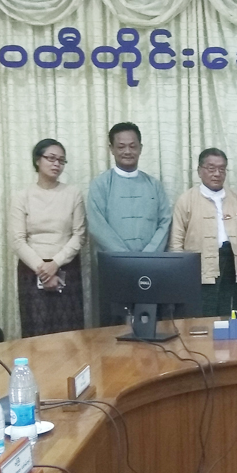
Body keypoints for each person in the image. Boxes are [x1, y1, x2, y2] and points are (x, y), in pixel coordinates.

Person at [87, 122, 172, 323]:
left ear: (140, 148)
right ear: (111, 149)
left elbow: (165, 222)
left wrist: (146, 257)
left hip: (150, 268)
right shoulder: (100, 184)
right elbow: (97, 226)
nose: (127, 151)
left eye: (133, 146)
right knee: (114, 330)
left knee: (150, 326)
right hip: (114, 269)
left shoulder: (154, 185)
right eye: (121, 146)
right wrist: (125, 259)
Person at [8, 139, 86, 336]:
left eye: (61, 160)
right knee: (37, 332)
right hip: (32, 270)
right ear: (37, 160)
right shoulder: (22, 196)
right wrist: (43, 270)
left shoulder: (73, 194)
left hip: (67, 268)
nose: (56, 164)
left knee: (70, 334)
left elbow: (79, 235)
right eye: (51, 158)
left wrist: (55, 263)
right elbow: (17, 240)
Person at [169, 148, 237, 317]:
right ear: (199, 171)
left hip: (231, 268)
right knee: (201, 321)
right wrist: (180, 278)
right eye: (211, 168)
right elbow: (176, 243)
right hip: (198, 272)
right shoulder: (186, 200)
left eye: (222, 169)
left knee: (228, 318)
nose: (217, 174)